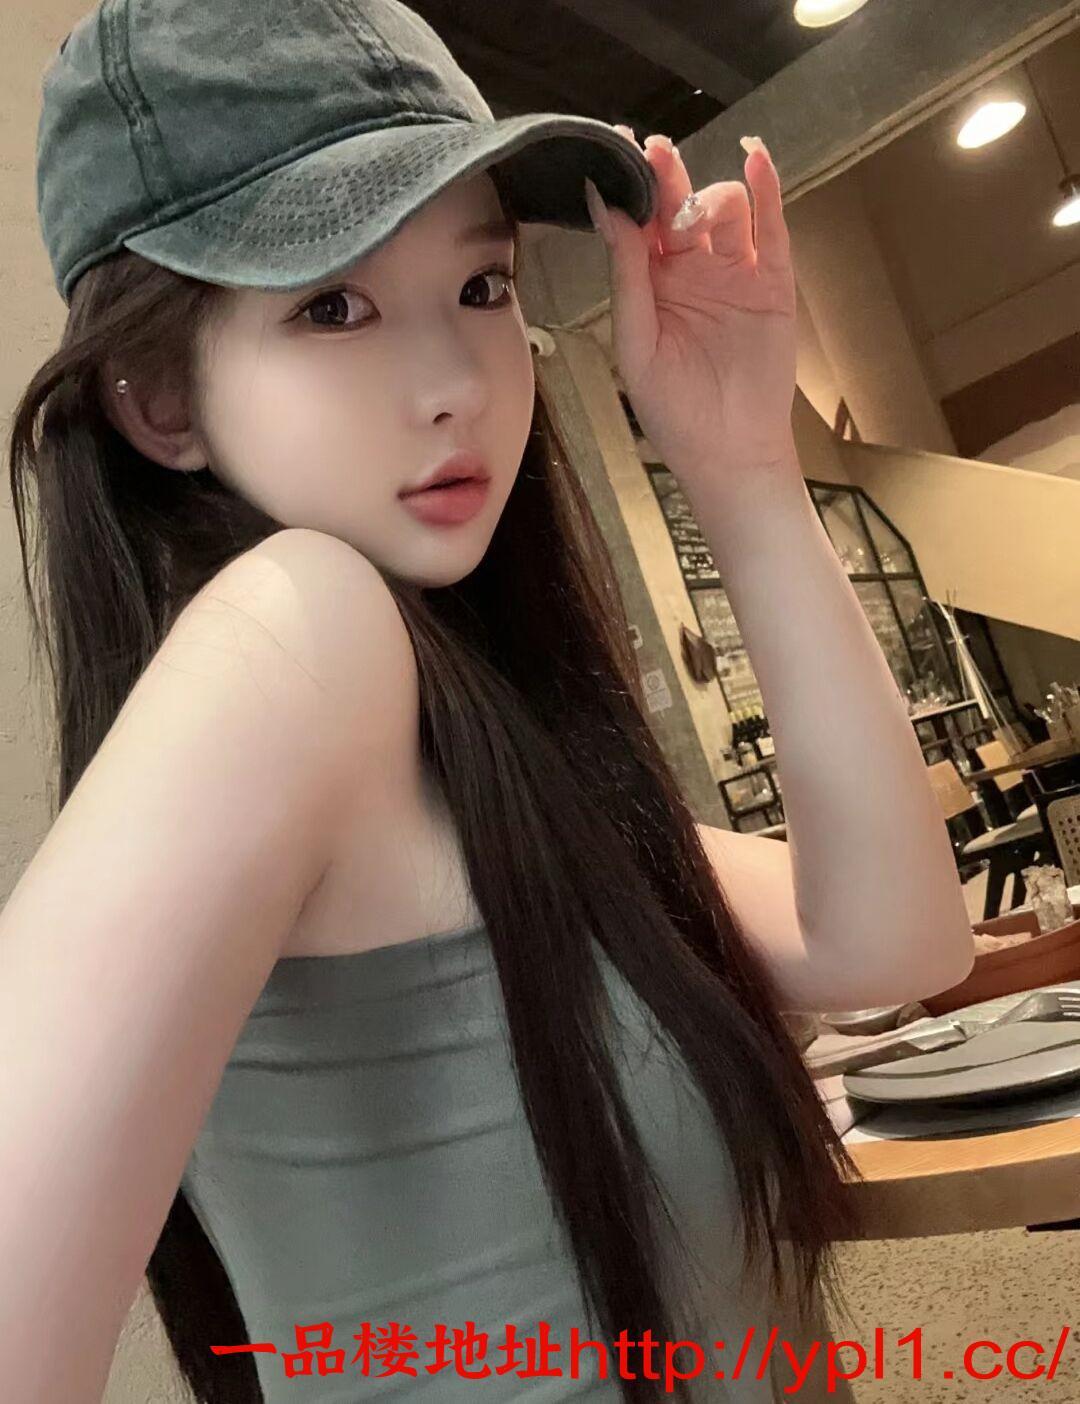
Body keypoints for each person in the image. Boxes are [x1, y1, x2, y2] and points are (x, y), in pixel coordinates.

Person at [1, 1, 976, 1401]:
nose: (456, 381)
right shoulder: (301, 628)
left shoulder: (469, 739)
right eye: (333, 306)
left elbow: (886, 942)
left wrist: (741, 464)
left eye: (481, 286)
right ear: (161, 401)